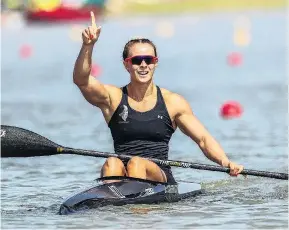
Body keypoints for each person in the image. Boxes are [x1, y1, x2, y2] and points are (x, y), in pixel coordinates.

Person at [73, 12, 244, 184]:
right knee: (111, 162)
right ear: (126, 64)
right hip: (121, 173)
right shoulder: (113, 98)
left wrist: (225, 162)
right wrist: (88, 45)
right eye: (137, 60)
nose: (143, 65)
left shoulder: (173, 102)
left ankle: (136, 208)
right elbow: (82, 80)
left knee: (136, 163)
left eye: (149, 59)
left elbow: (203, 140)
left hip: (159, 178)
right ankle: (112, 204)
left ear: (155, 62)